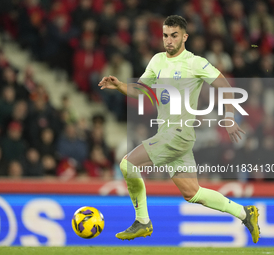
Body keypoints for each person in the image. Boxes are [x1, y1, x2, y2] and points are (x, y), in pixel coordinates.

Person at [98, 15, 260, 243]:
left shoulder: (195, 62)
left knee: (128, 163)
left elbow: (226, 87)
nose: (169, 40)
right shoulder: (156, 61)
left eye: (174, 35)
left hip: (178, 134)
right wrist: (121, 86)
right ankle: (245, 213)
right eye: (165, 35)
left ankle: (142, 221)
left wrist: (230, 118)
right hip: (167, 134)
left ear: (184, 36)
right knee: (192, 193)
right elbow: (141, 90)